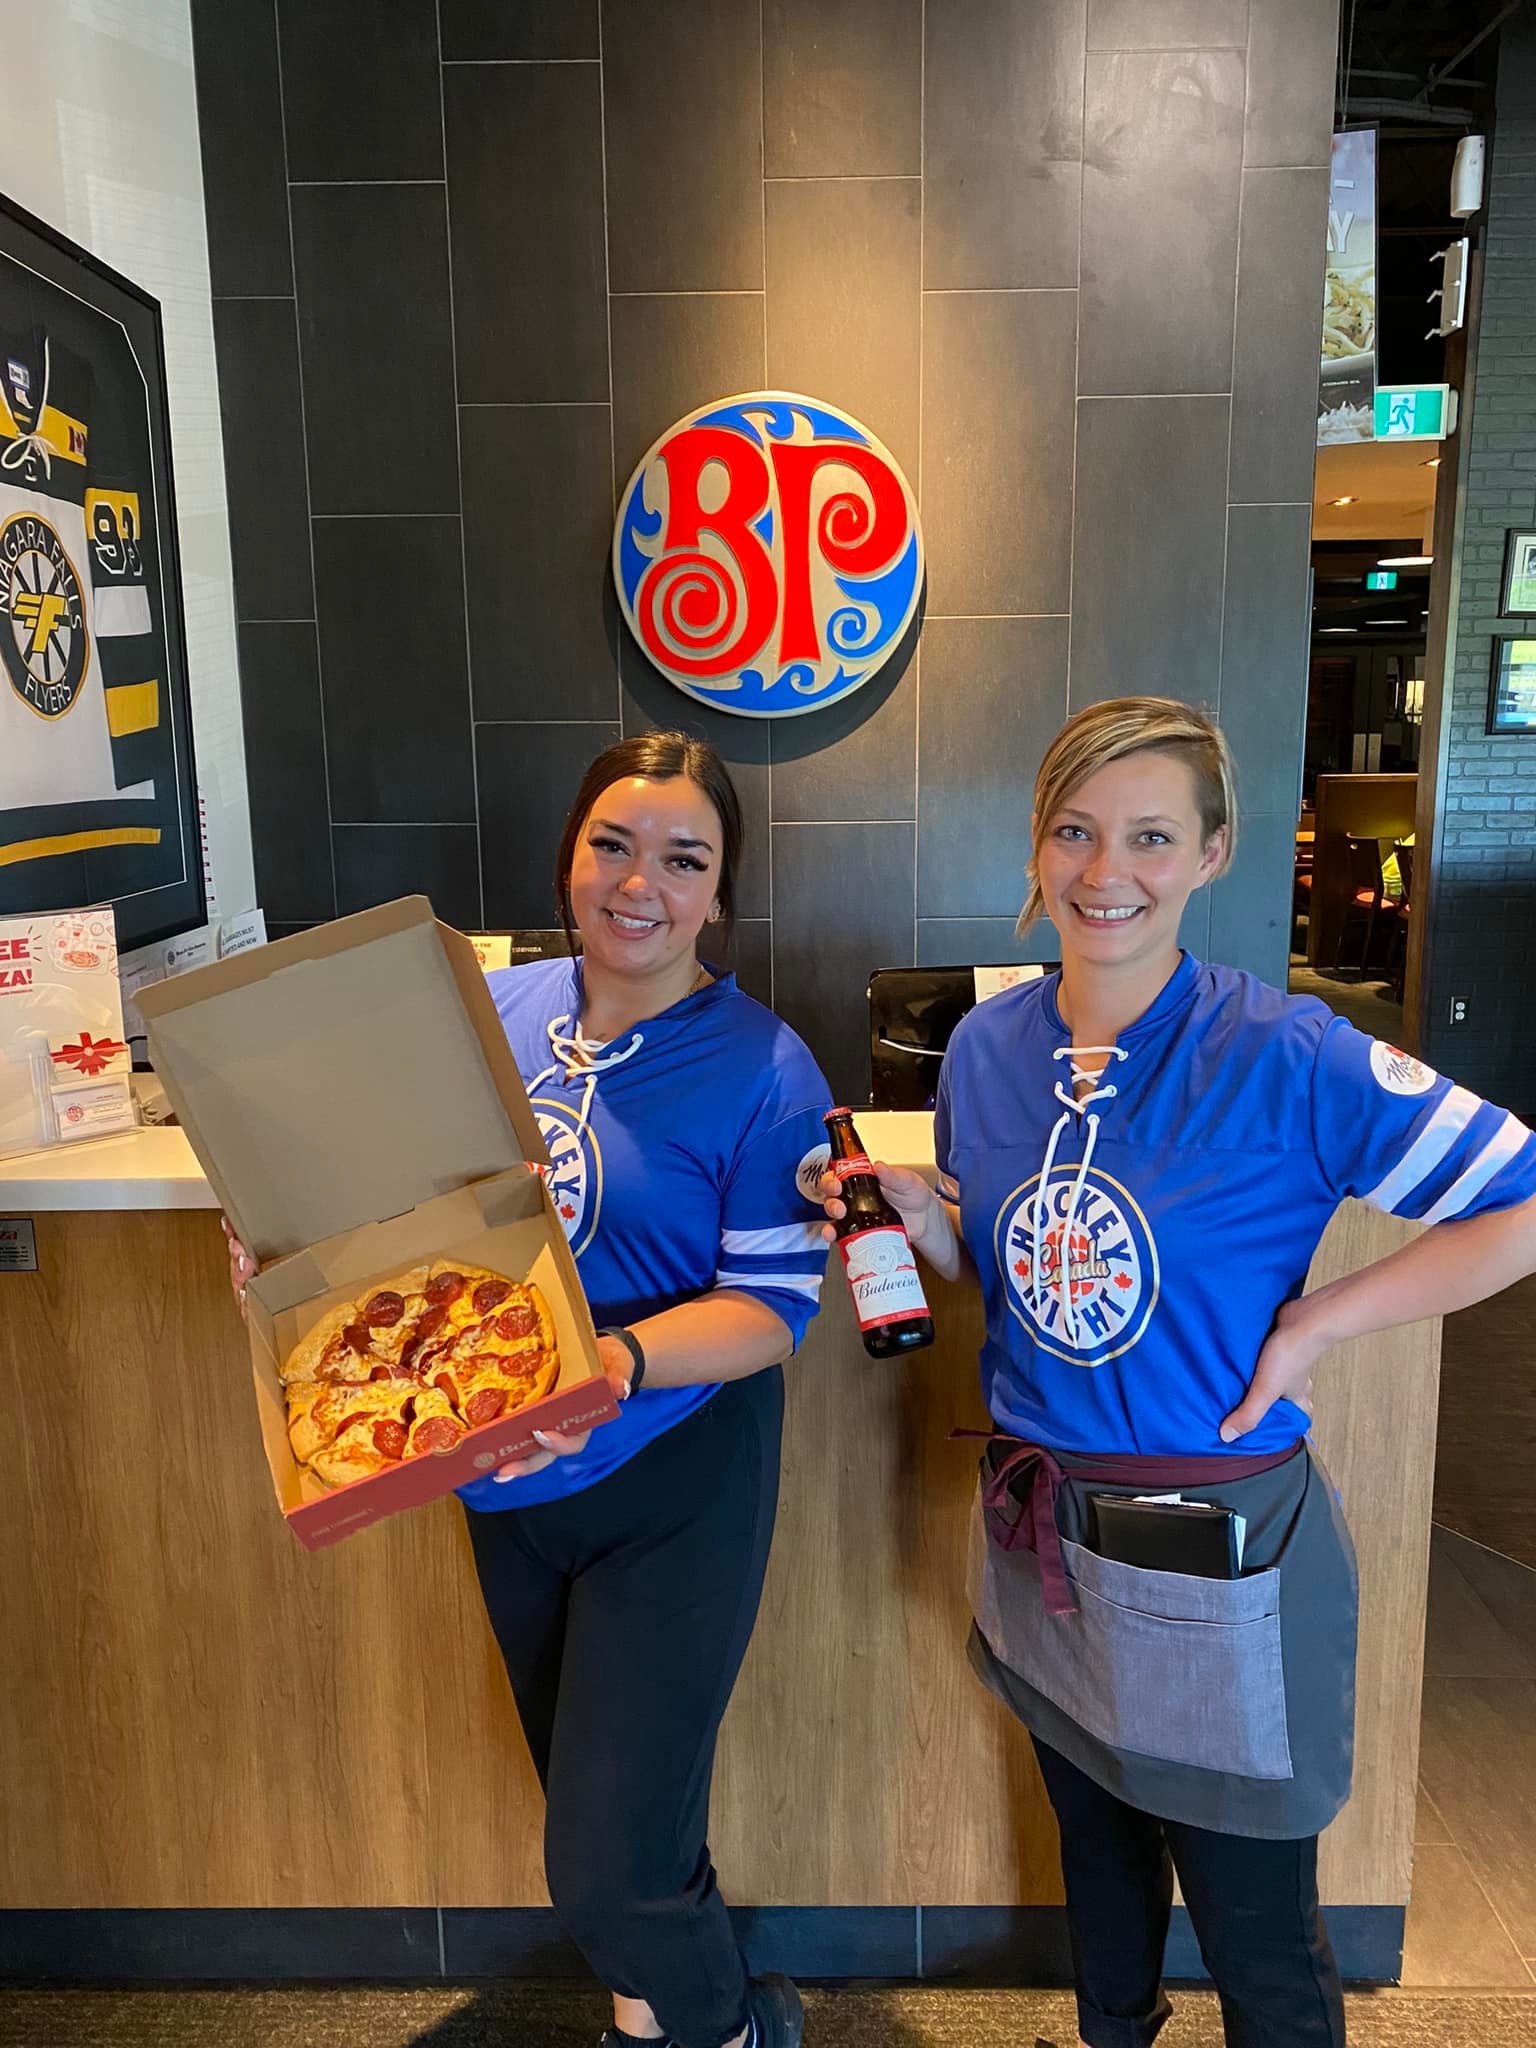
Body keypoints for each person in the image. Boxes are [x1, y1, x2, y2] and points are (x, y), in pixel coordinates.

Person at [822, 696, 1536, 2048]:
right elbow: (1015, 1272)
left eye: (1151, 836)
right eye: (1075, 832)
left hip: (1218, 1552)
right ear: (1037, 846)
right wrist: (933, 1224)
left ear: (1212, 853)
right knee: (1099, 1878)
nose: (1107, 872)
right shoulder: (985, 1051)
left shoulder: (1288, 1055)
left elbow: (1523, 1200)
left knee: (1256, 1935)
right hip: (1045, 1531)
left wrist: (1318, 1324)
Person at [227, 732, 827, 2048]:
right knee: (603, 1811)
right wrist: (288, 1243)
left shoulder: (767, 1068)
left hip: (673, 1473)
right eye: (612, 845)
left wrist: (614, 1363)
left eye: (683, 860)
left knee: (606, 1855)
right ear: (568, 860)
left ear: (719, 894)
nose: (639, 884)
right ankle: (670, 2022)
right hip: (502, 1466)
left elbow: (776, 1308)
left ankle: (725, 2029)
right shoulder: (488, 1012)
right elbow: (398, 1206)